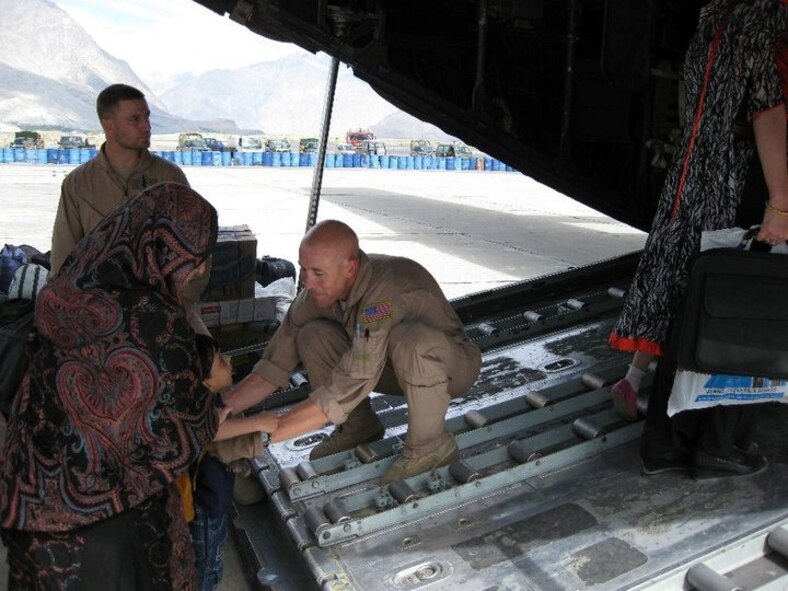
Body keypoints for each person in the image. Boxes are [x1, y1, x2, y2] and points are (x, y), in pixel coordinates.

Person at [0, 183, 220, 589]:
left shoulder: (74, 282)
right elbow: (182, 423)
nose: (201, 271)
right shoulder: (151, 317)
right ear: (163, 248)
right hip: (103, 530)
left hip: (33, 502)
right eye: (196, 259)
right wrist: (217, 387)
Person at [609, 0, 788, 476]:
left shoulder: (713, 15)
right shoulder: (763, 16)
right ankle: (720, 444)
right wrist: (780, 202)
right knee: (748, 310)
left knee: (692, 307)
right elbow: (766, 110)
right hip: (740, 179)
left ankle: (665, 445)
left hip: (698, 178)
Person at [224, 220, 482, 484]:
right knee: (313, 334)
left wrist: (260, 437)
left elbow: (354, 377)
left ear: (349, 268)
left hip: (452, 369)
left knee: (409, 342)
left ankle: (430, 446)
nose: (307, 282)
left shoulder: (381, 297)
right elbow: (272, 367)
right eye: (303, 269)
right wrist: (218, 411)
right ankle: (359, 427)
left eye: (318, 273)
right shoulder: (318, 294)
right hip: (391, 368)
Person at [49, 83, 210, 334]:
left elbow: (198, 249)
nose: (146, 127)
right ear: (108, 124)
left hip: (166, 310)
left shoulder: (170, 178)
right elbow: (64, 258)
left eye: (147, 117)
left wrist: (180, 300)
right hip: (100, 314)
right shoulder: (78, 183)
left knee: (211, 365)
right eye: (135, 119)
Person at [178, 334, 278, 591]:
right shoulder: (199, 416)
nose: (229, 360)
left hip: (212, 506)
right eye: (221, 361)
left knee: (211, 563)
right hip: (203, 509)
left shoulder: (204, 405)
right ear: (204, 381)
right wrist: (258, 423)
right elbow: (210, 431)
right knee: (204, 570)